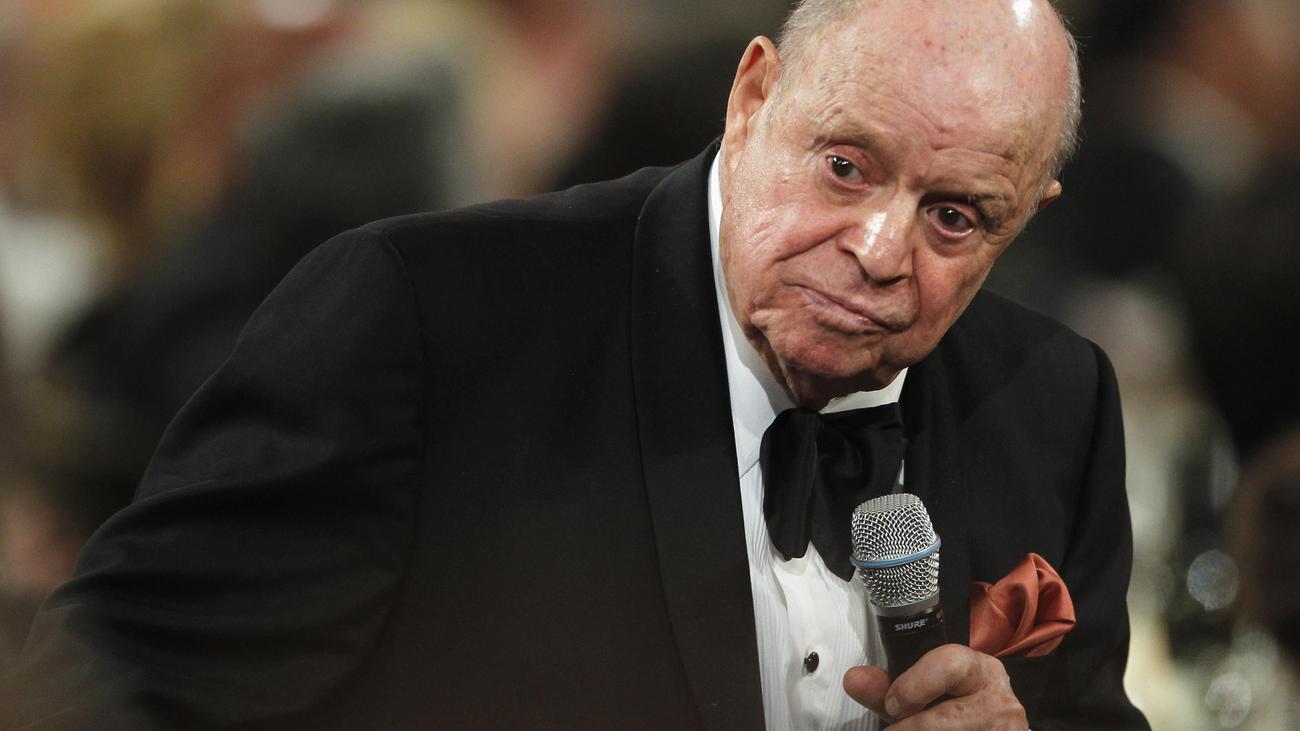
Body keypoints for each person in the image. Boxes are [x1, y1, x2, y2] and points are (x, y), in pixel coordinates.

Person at [6, 1, 1148, 728]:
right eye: (846, 166)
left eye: (955, 216)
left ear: (1026, 215)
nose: (879, 250)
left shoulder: (1054, 402)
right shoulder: (429, 323)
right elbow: (107, 688)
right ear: (754, 97)